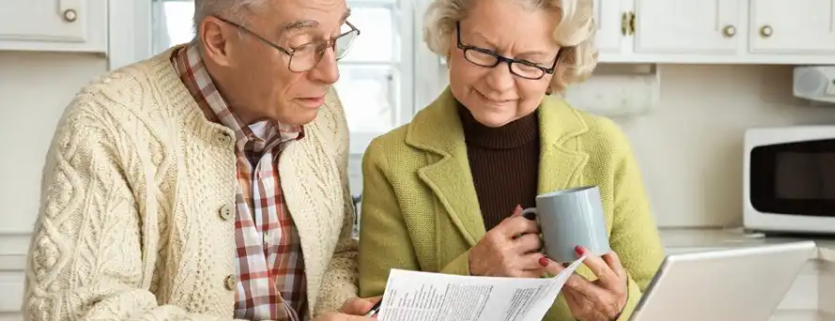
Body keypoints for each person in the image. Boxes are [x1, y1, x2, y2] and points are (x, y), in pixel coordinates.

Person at [21, 0, 377, 320]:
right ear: (219, 41)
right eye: (301, 46)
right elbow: (78, 311)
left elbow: (337, 253)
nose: (330, 74)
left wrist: (338, 308)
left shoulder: (323, 113)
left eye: (336, 39)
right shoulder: (107, 122)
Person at [357, 0, 664, 320]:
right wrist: (473, 272)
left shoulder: (605, 146)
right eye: (483, 51)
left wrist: (619, 309)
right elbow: (376, 312)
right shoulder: (391, 160)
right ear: (449, 35)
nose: (499, 83)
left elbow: (661, 302)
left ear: (558, 65)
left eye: (530, 63)